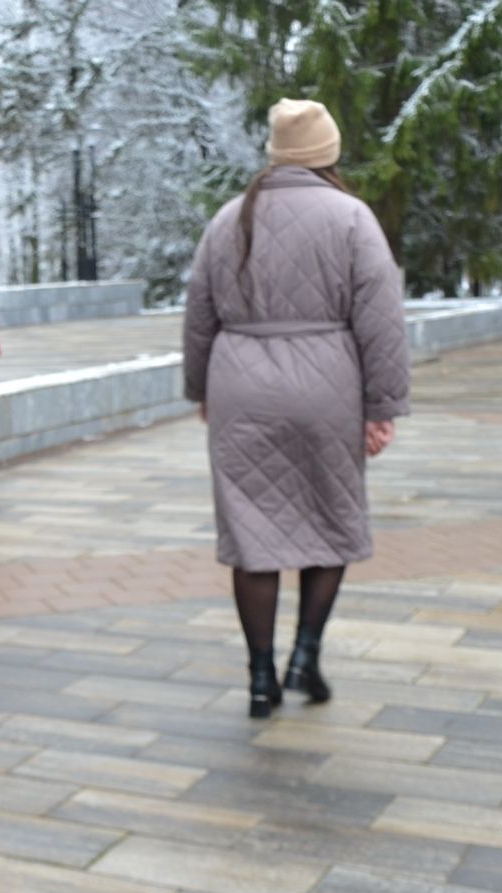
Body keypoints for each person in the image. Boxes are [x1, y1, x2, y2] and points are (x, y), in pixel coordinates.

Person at [182, 98, 407, 719]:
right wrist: (382, 404)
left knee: (252, 536)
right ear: (328, 152)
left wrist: (202, 388)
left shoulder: (229, 218)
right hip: (326, 386)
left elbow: (199, 313)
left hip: (240, 386)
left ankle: (260, 679)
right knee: (330, 518)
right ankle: (305, 657)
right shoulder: (352, 218)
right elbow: (382, 321)